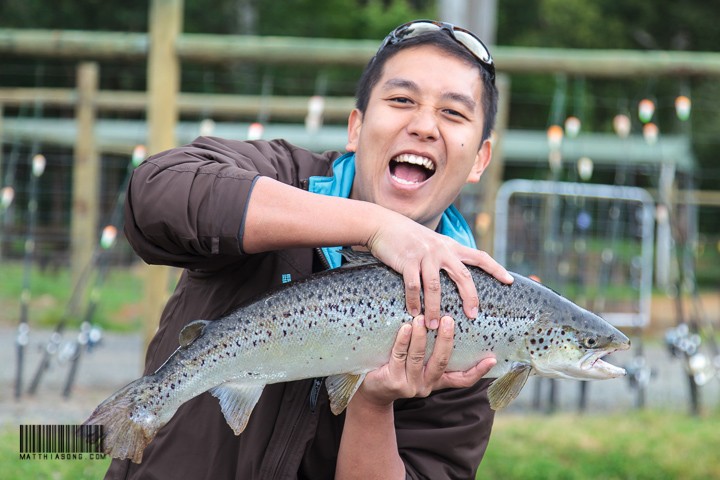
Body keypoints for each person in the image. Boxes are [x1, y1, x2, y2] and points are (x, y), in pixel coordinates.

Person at [107, 19, 513, 480]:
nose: (423, 126)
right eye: (402, 100)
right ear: (356, 128)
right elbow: (155, 190)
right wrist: (376, 225)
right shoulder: (280, 176)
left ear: (480, 159)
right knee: (61, 442)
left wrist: (373, 402)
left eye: (453, 113)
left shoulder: (479, 320)